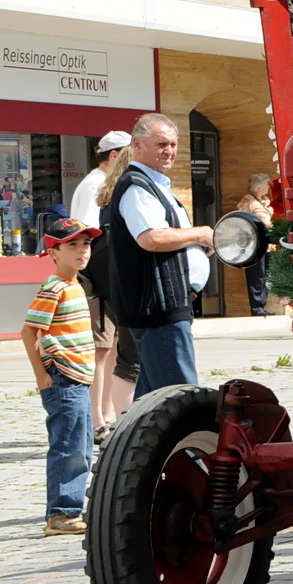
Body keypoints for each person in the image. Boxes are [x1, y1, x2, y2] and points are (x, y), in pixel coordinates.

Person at [106, 114, 212, 393]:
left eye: (174, 145)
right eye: (162, 144)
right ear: (138, 145)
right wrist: (200, 234)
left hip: (168, 304)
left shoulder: (155, 186)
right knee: (180, 397)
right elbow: (151, 238)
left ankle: (140, 437)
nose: (170, 151)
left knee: (154, 400)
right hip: (158, 308)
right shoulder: (137, 186)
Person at [22, 217, 101, 535]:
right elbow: (29, 333)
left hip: (77, 379)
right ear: (53, 252)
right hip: (62, 378)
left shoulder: (74, 285)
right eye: (72, 245)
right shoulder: (54, 286)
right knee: (68, 446)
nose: (82, 250)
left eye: (86, 244)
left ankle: (70, 508)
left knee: (82, 446)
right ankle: (61, 514)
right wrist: (41, 375)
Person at [69, 131, 131, 435]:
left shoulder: (105, 183)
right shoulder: (96, 184)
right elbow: (85, 236)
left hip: (107, 280)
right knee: (100, 350)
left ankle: (105, 413)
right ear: (115, 155)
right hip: (98, 282)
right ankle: (96, 420)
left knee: (112, 350)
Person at [237, 174, 274, 315]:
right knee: (256, 274)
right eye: (266, 184)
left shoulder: (265, 201)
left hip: (268, 244)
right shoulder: (248, 200)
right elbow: (242, 220)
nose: (269, 186)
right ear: (259, 187)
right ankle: (257, 306)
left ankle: (263, 304)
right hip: (255, 244)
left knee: (267, 275)